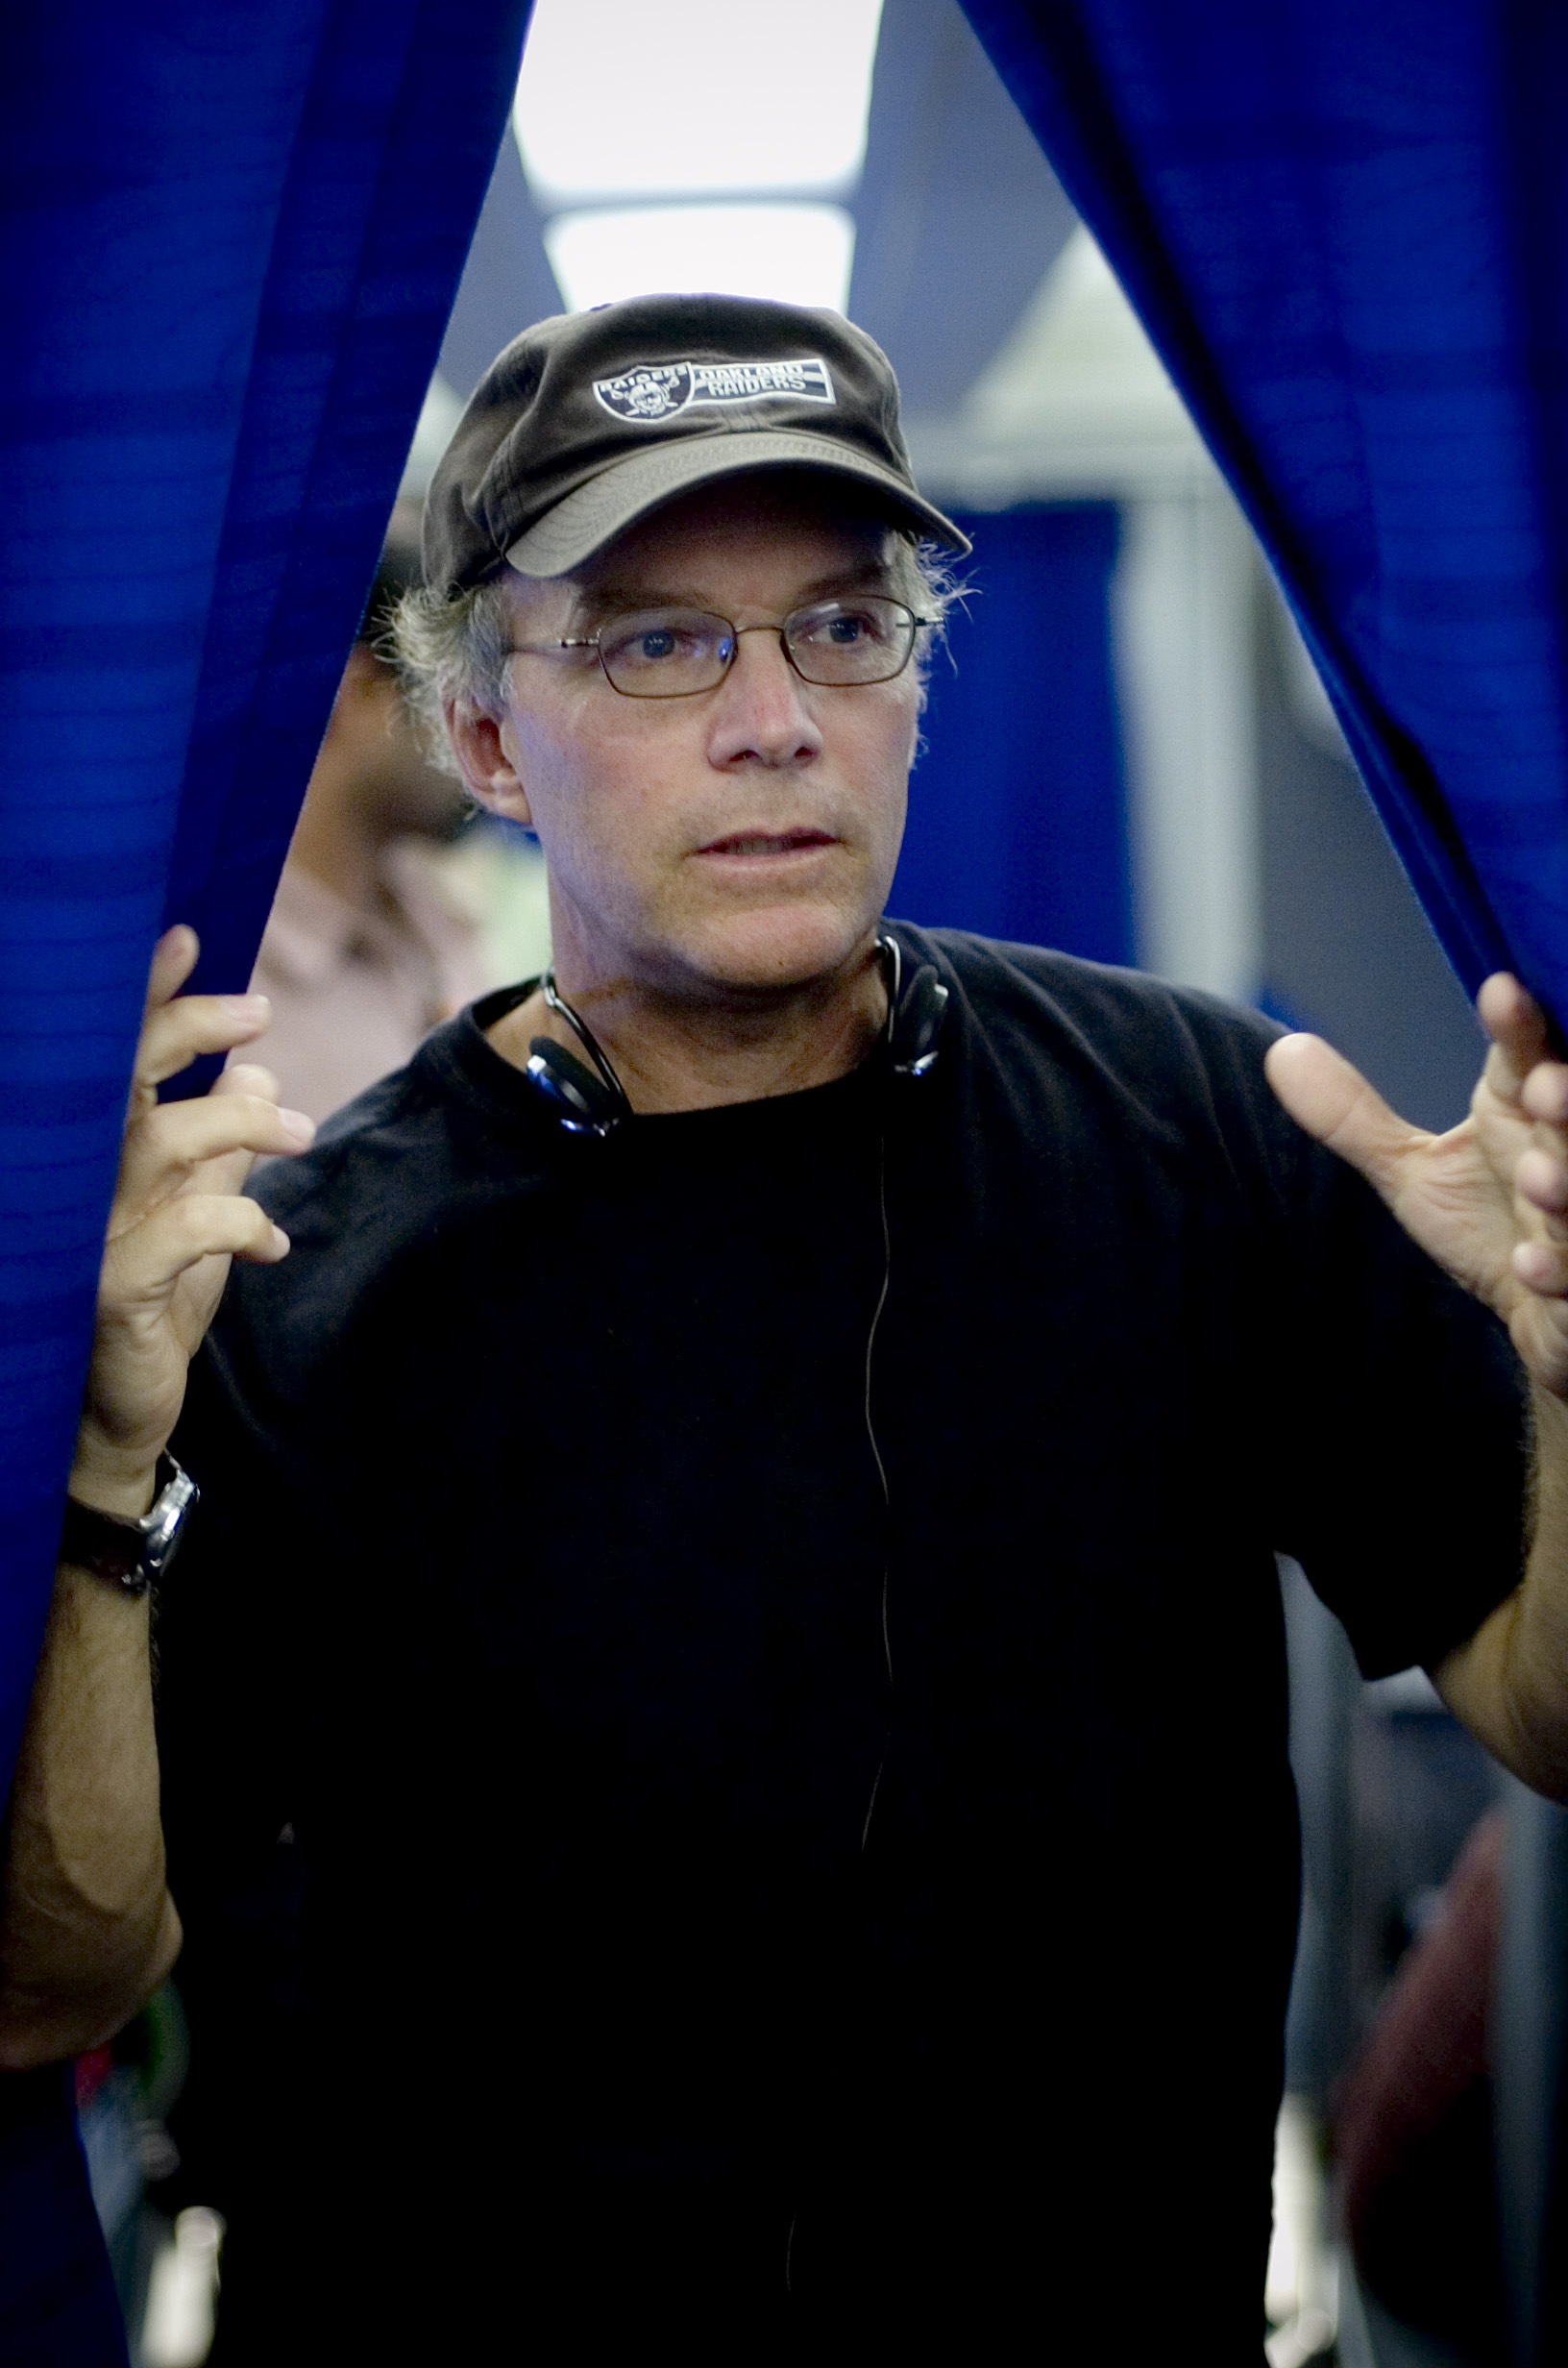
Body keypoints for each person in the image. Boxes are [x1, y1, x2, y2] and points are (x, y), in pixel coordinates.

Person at [4, 291, 1568, 2361]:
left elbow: (1541, 1709)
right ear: (485, 735)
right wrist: (100, 1471)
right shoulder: (306, 1277)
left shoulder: (1202, 1125)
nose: (774, 718)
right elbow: (54, 1981)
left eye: (841, 626)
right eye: (657, 643)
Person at [249, 504, 492, 1126]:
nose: (490, 738)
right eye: (457, 699)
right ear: (359, 693)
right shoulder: (224, 984)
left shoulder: (439, 919)